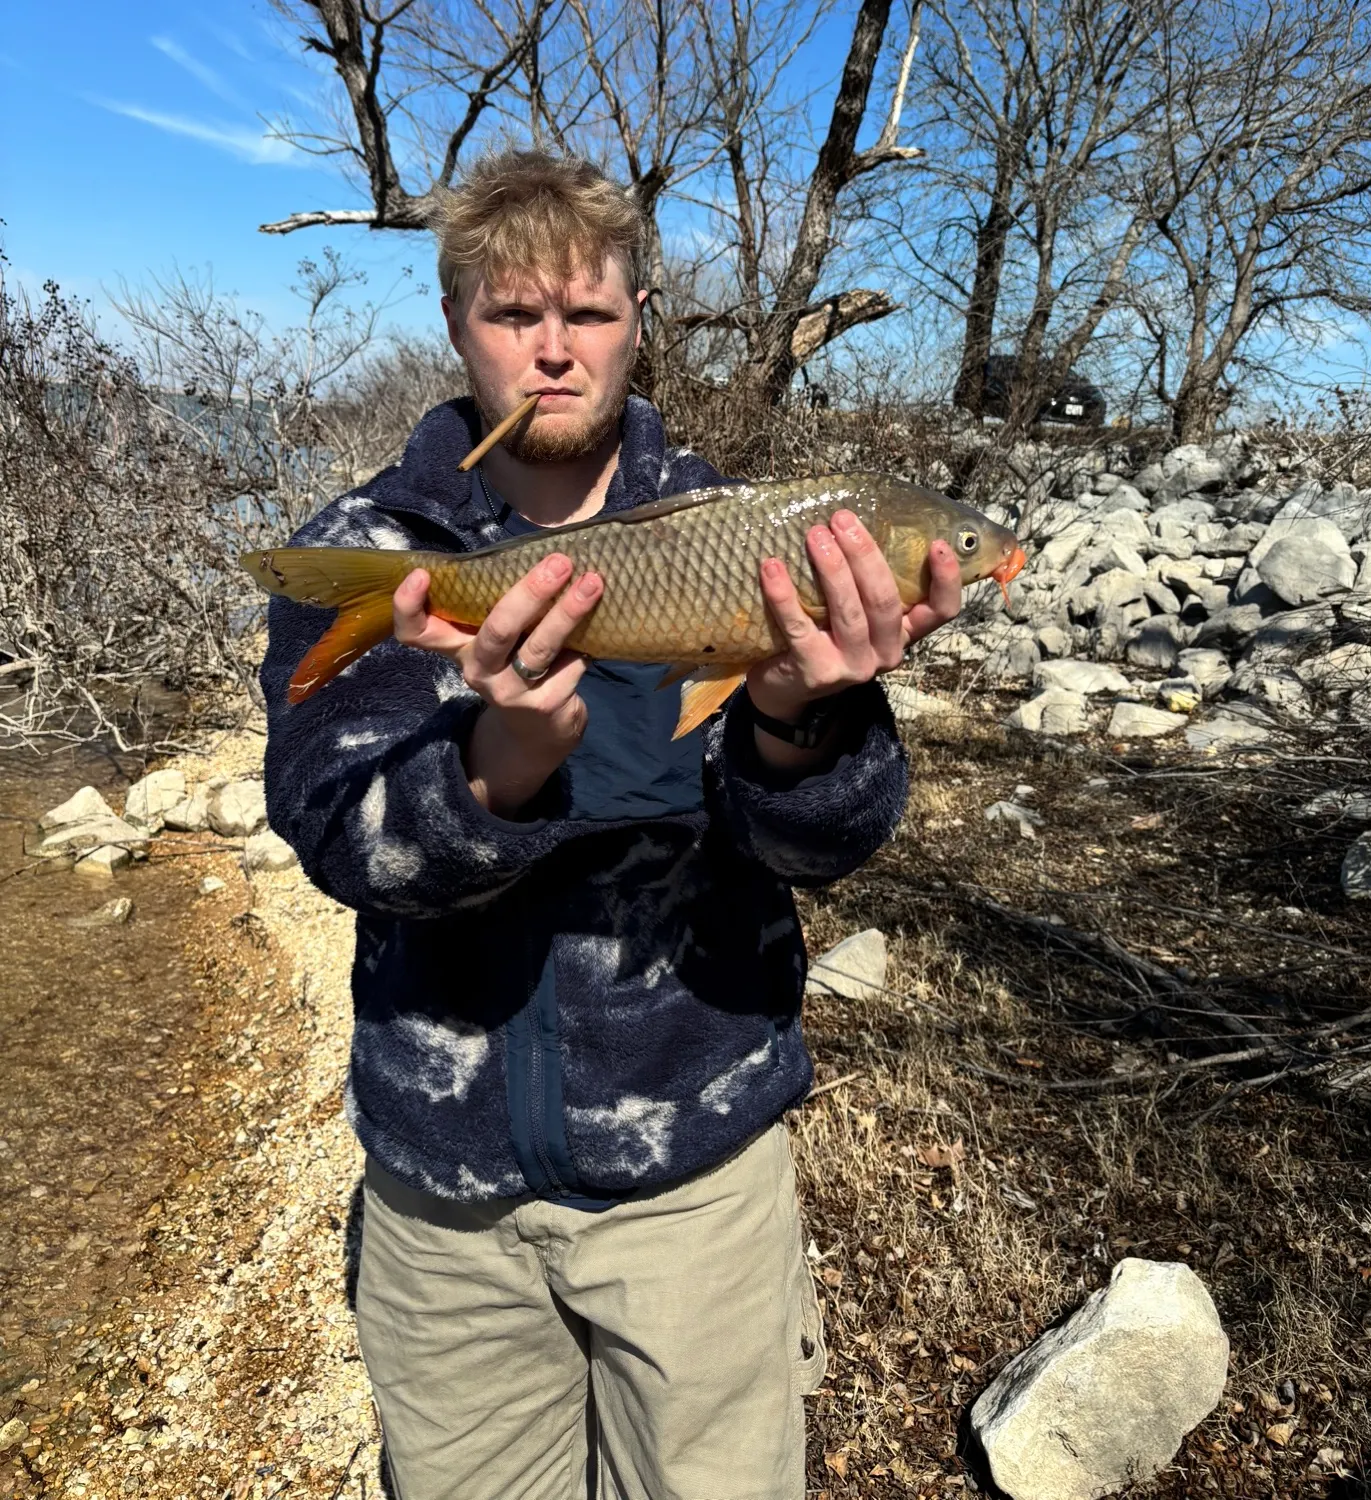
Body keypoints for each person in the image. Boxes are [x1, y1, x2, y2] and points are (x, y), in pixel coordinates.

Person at [260, 148, 963, 1500]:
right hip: (441, 1199)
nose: (554, 352)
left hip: (698, 1174)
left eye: (586, 316)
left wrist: (796, 719)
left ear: (639, 317)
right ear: (457, 324)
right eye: (513, 318)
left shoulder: (754, 532)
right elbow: (336, 842)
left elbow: (826, 846)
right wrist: (498, 764)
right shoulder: (378, 547)